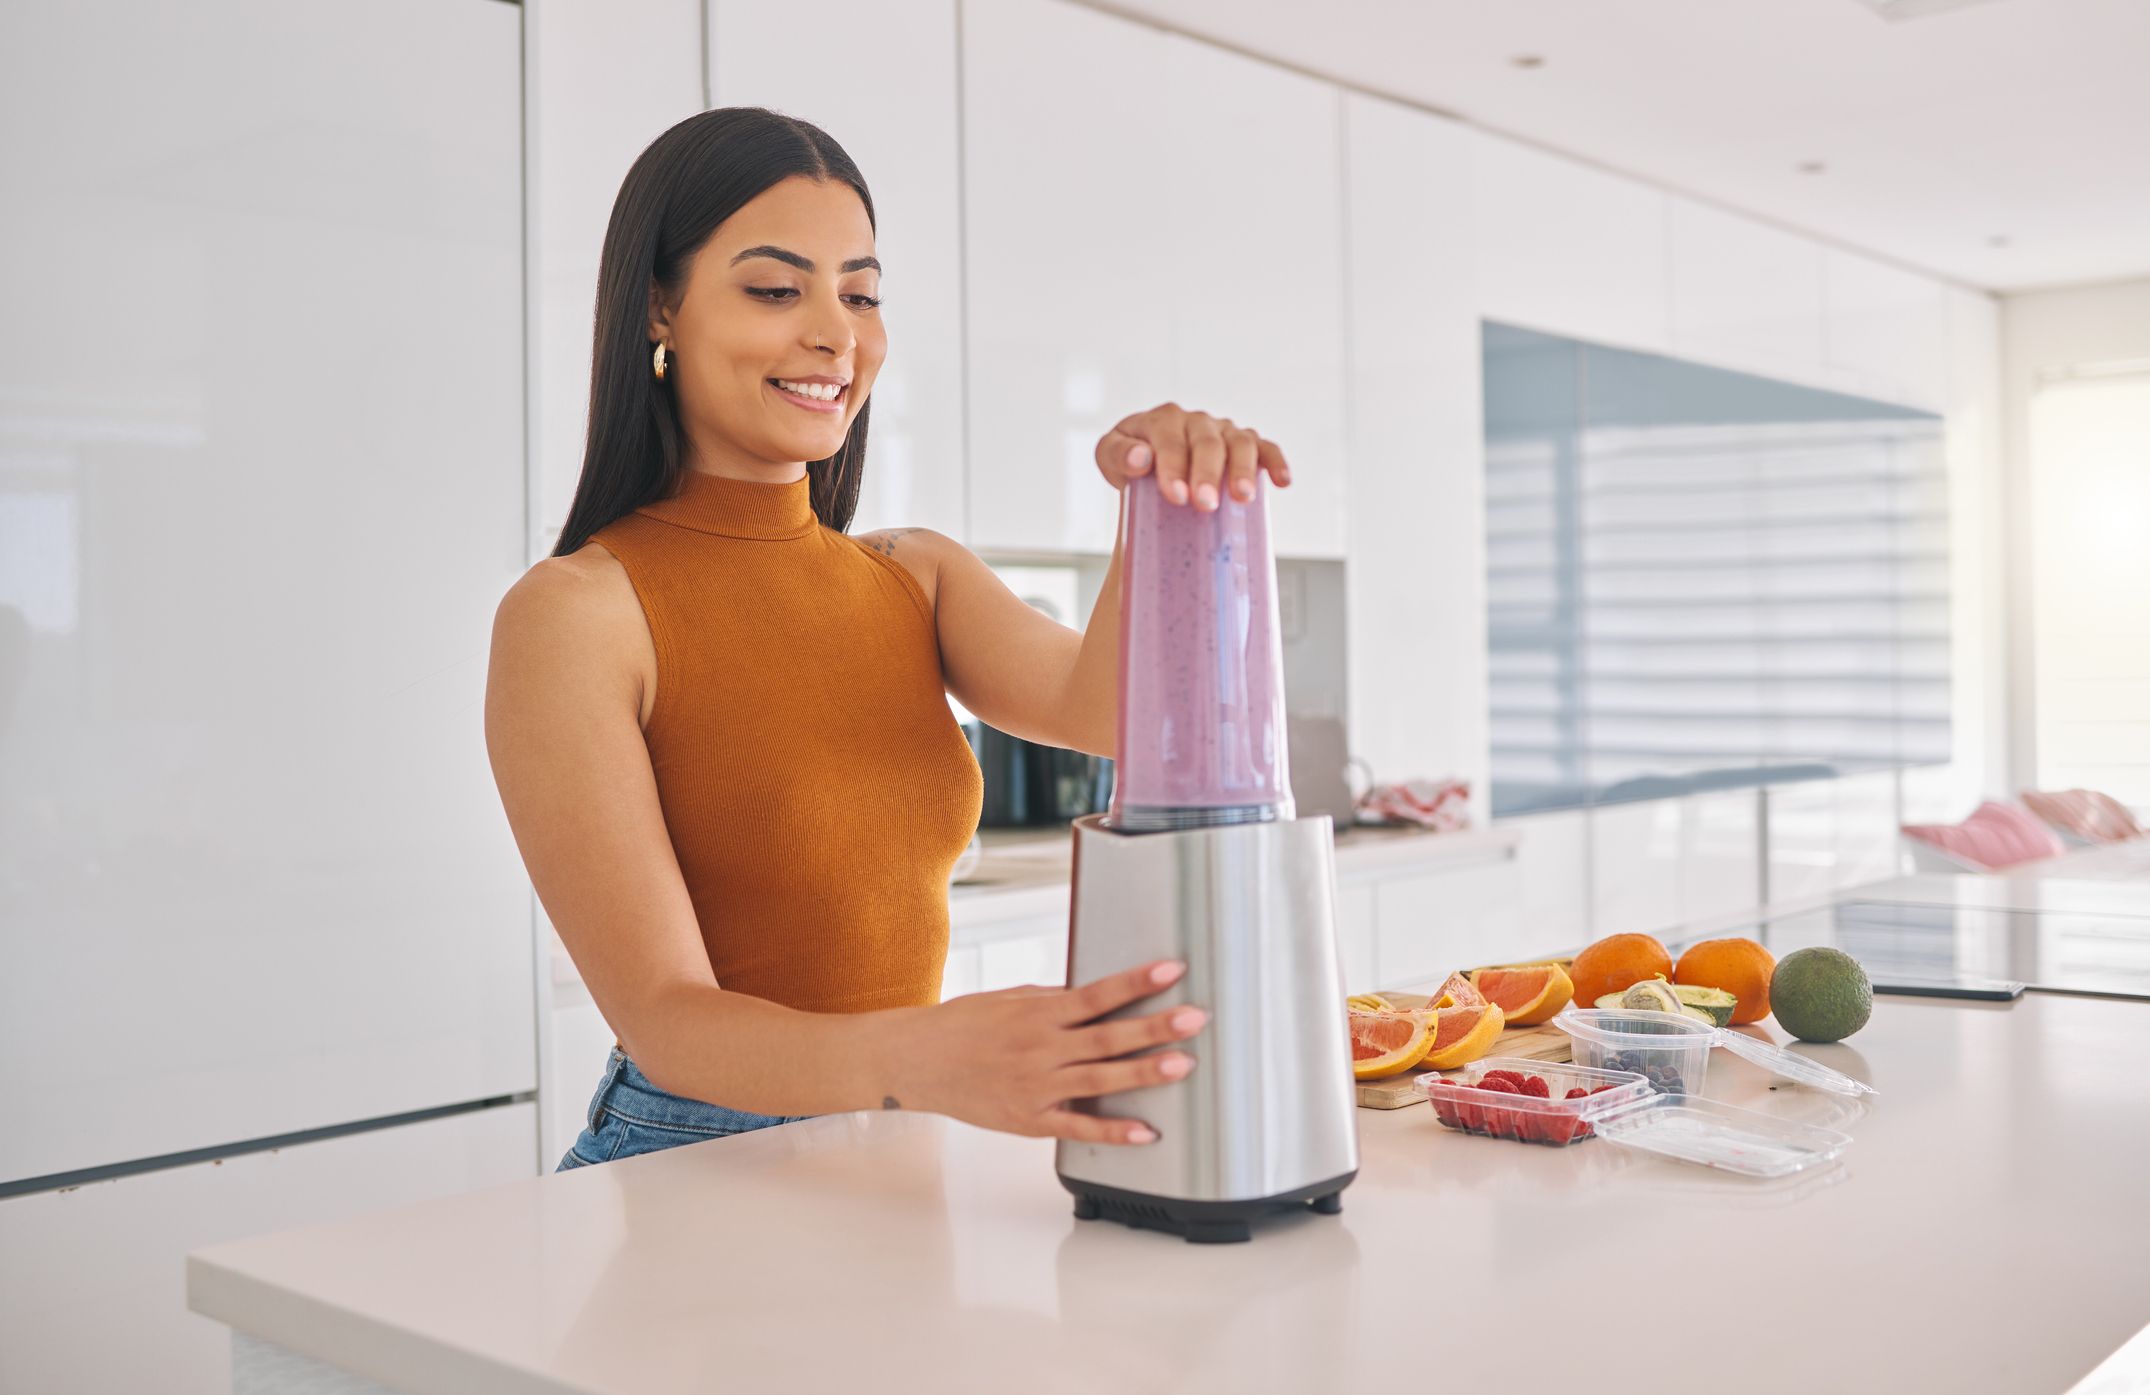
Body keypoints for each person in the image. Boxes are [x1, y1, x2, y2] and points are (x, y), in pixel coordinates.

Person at [483, 107, 1293, 1171]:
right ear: (658, 307)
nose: (836, 335)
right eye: (776, 290)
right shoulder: (577, 613)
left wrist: (1160, 490)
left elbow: (1109, 715)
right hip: (694, 1156)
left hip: (894, 1139)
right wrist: (924, 1054)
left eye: (860, 295)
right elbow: (667, 1024)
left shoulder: (914, 576)